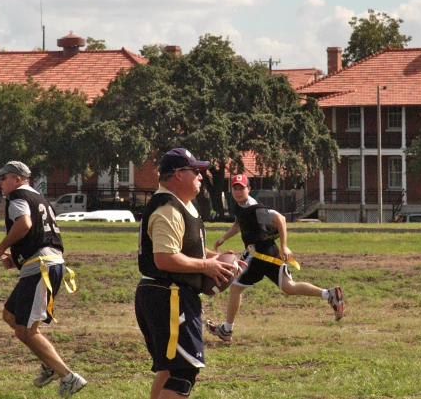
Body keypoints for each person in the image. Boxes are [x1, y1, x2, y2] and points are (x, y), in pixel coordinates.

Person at [135, 148, 240, 399]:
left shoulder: (182, 206)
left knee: (172, 368)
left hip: (170, 295)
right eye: (196, 171)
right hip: (168, 295)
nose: (201, 176)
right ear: (178, 175)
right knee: (184, 371)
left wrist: (222, 261)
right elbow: (164, 258)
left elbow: (189, 251)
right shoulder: (168, 208)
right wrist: (207, 266)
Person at [206, 174, 345, 343]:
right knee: (289, 287)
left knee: (235, 288)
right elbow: (239, 223)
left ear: (249, 189)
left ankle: (227, 330)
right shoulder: (240, 206)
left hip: (258, 254)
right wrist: (224, 238)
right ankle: (329, 294)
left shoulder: (256, 209)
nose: (237, 191)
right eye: (235, 188)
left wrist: (285, 245)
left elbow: (281, 218)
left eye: (241, 188)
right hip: (269, 252)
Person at [0, 160, 86, 398]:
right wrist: (19, 258)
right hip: (41, 263)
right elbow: (41, 234)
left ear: (18, 179)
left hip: (41, 267)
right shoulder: (40, 198)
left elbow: (24, 224)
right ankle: (49, 364)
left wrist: (1, 248)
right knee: (10, 316)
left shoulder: (16, 197)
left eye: (4, 177)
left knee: (25, 331)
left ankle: (68, 377)